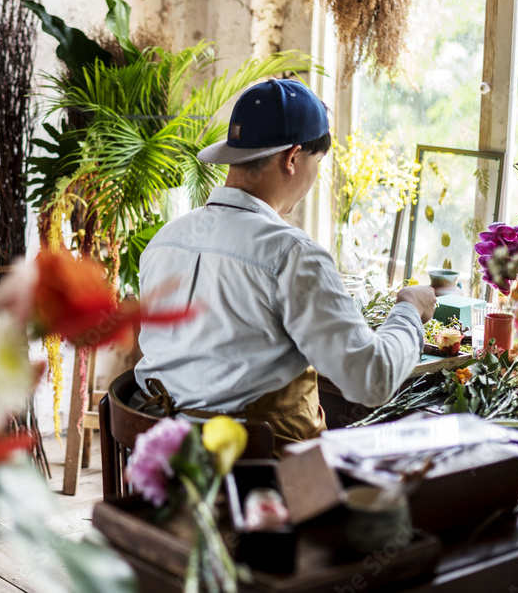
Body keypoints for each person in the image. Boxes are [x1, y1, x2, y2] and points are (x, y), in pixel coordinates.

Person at [132, 79, 436, 447]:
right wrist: (408, 309)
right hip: (250, 485)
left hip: (160, 466)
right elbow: (371, 380)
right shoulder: (290, 253)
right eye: (318, 163)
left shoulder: (165, 238)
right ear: (292, 158)